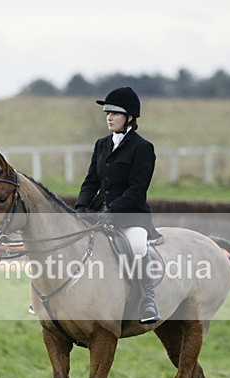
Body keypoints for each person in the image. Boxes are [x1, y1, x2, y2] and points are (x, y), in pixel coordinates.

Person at [74, 87, 162, 324]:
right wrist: (81, 208)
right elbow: (91, 181)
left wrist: (112, 213)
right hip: (98, 211)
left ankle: (147, 299)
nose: (109, 118)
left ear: (130, 118)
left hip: (130, 215)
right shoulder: (101, 144)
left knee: (135, 245)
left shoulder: (143, 148)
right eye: (107, 113)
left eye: (115, 113)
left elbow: (137, 190)